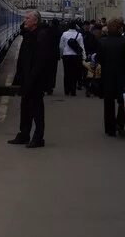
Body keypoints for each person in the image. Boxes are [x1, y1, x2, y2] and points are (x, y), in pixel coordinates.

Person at [8, 10, 57, 148]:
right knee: (25, 107)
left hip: (36, 79)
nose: (25, 20)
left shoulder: (41, 36)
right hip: (26, 78)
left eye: (27, 18)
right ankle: (24, 134)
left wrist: (32, 78)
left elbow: (40, 61)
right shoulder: (30, 34)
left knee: (36, 109)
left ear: (35, 21)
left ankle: (38, 137)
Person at [96, 18, 125, 137]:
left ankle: (109, 128)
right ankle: (120, 124)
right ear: (120, 28)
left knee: (108, 102)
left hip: (107, 76)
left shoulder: (102, 41)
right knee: (122, 101)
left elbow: (99, 59)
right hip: (122, 75)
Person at [59, 21, 85, 96]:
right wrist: (84, 56)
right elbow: (82, 46)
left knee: (67, 73)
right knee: (74, 73)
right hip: (76, 56)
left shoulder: (64, 34)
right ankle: (73, 91)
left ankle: (67, 90)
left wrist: (61, 54)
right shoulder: (79, 34)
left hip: (66, 56)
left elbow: (61, 46)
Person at [46, 18, 62, 95]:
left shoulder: (48, 31)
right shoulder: (59, 31)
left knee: (46, 71)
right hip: (55, 54)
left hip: (47, 53)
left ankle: (46, 87)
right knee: (53, 71)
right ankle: (51, 87)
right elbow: (61, 45)